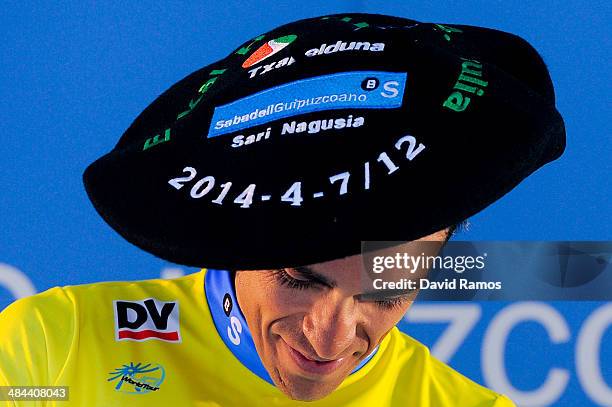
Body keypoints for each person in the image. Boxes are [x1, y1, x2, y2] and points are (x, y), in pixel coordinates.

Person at [0, 13, 565, 406]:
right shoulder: (56, 347)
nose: (331, 338)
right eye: (299, 280)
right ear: (243, 239)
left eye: (385, 290)